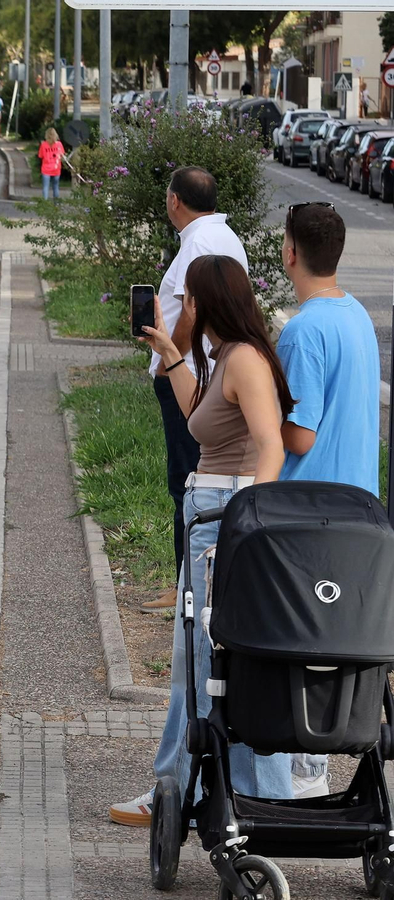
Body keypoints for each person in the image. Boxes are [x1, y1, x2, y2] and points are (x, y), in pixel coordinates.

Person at [109, 254, 298, 827]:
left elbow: (271, 445)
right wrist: (171, 354)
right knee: (200, 662)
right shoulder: (225, 356)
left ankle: (184, 791)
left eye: (186, 298)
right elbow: (203, 417)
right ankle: (201, 789)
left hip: (225, 518)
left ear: (203, 302)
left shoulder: (244, 360)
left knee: (202, 663)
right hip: (214, 515)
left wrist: (249, 525)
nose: (182, 307)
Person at [275, 202, 380, 800]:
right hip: (356, 502)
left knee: (299, 637)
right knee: (334, 636)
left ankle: (303, 769)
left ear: (291, 252)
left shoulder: (303, 330)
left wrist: (255, 407)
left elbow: (300, 435)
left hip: (308, 507)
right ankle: (315, 763)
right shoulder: (356, 314)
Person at [140, 167, 246, 614]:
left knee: (185, 479)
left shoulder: (199, 243)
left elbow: (189, 312)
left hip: (190, 376)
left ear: (174, 201)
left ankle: (186, 584)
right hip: (210, 374)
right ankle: (198, 579)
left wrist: (171, 360)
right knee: (199, 476)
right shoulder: (223, 236)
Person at [38, 129, 64, 201]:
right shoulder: (59, 144)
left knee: (45, 187)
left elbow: (40, 156)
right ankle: (56, 204)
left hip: (46, 169)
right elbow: (62, 155)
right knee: (56, 187)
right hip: (56, 168)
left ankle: (45, 204)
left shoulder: (43, 145)